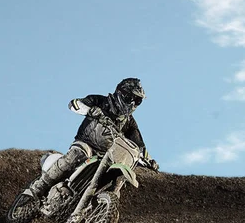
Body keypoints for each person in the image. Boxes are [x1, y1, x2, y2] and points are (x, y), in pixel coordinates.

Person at [28, 78, 159, 200]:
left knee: (118, 177)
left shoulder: (129, 122)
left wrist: (149, 160)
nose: (132, 103)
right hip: (85, 144)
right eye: (130, 97)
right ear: (121, 93)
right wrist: (90, 110)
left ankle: (103, 212)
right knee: (74, 156)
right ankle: (37, 188)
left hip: (106, 156)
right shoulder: (101, 101)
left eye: (137, 100)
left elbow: (138, 145)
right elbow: (74, 103)